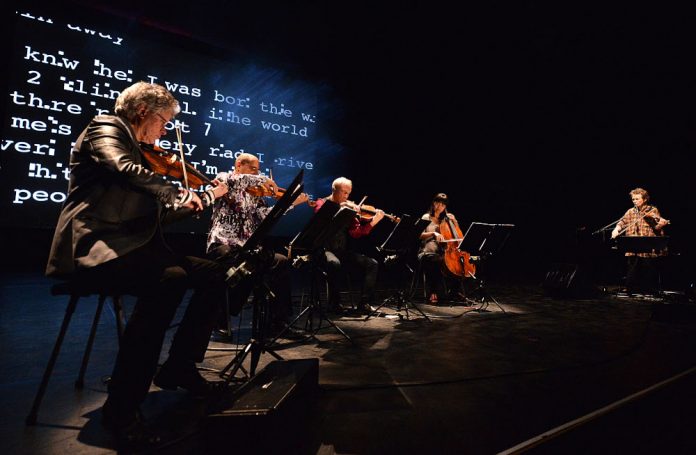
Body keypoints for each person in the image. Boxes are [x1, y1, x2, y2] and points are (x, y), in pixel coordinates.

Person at [45, 81, 229, 451]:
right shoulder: (105, 128)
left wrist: (204, 198)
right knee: (169, 280)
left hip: (133, 246)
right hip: (96, 248)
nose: (163, 133)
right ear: (144, 112)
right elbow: (120, 166)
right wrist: (176, 190)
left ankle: (179, 364)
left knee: (217, 273)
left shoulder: (144, 157)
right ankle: (121, 410)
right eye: (164, 123)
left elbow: (156, 219)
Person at [206, 152, 308, 334]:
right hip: (223, 243)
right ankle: (220, 317)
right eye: (252, 169)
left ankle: (278, 322)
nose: (256, 174)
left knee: (280, 261)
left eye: (258, 170)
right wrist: (260, 179)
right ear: (238, 165)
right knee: (242, 265)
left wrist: (290, 203)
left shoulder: (255, 194)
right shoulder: (224, 177)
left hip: (248, 245)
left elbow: (262, 216)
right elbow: (232, 182)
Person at [313, 177, 385, 314]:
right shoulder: (321, 203)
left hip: (340, 250)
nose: (347, 197)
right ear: (334, 190)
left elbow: (356, 233)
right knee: (334, 264)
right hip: (323, 250)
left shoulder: (349, 209)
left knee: (372, 263)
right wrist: (340, 208)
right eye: (344, 193)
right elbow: (321, 218)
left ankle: (364, 303)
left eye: (348, 193)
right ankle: (335, 303)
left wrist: (373, 222)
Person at [611, 187, 669, 295]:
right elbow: (622, 222)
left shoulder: (652, 210)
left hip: (647, 245)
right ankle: (630, 289)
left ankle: (647, 290)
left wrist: (661, 223)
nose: (635, 201)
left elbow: (657, 227)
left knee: (648, 268)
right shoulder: (630, 211)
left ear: (645, 199)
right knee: (632, 268)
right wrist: (616, 229)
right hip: (633, 245)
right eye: (633, 199)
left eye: (637, 199)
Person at [418, 193, 467, 304]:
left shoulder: (444, 221)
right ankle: (435, 292)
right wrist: (434, 233)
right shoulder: (426, 217)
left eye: (443, 204)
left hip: (441, 253)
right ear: (434, 203)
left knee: (459, 264)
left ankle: (453, 293)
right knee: (438, 261)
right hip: (426, 252)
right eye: (438, 202)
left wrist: (455, 221)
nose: (440, 206)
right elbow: (418, 234)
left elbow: (459, 237)